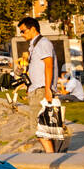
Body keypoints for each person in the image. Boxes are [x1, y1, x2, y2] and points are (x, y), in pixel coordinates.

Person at [18, 17, 58, 153]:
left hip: (41, 89)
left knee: (39, 127)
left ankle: (50, 155)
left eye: (23, 31)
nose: (22, 34)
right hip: (36, 89)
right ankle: (51, 154)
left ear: (33, 28)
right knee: (43, 126)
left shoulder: (43, 43)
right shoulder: (34, 45)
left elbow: (49, 65)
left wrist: (48, 90)